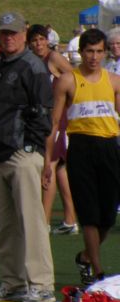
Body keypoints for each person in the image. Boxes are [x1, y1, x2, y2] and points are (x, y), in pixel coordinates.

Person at [0, 11, 55, 302]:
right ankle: (12, 281)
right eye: (4, 32)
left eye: (13, 32)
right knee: (7, 224)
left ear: (24, 33)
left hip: (21, 153)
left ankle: (41, 283)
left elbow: (43, 112)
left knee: (31, 221)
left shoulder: (32, 66)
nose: (8, 37)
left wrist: (31, 148)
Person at [45, 28, 120, 286]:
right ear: (81, 52)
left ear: (105, 52)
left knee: (108, 216)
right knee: (88, 213)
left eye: (99, 51)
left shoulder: (113, 81)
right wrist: (48, 162)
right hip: (80, 149)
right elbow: (54, 123)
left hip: (109, 148)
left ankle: (86, 256)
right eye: (89, 51)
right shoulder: (67, 80)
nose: (94, 57)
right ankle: (98, 272)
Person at [26, 24, 78, 234]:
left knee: (49, 166)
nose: (39, 44)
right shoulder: (32, 61)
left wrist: (68, 104)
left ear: (48, 40)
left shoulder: (53, 58)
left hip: (56, 119)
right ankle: (70, 220)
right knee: (60, 169)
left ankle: (44, 223)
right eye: (35, 40)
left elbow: (75, 79)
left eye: (41, 39)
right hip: (43, 119)